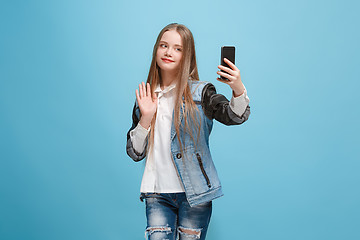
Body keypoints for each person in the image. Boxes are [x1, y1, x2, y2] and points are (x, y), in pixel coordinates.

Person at [126, 23, 251, 240]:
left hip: (195, 194)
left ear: (187, 55)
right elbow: (135, 153)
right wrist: (146, 118)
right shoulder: (146, 97)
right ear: (156, 49)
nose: (168, 52)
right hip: (156, 194)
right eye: (163, 45)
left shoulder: (202, 92)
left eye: (177, 48)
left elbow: (234, 116)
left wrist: (237, 88)